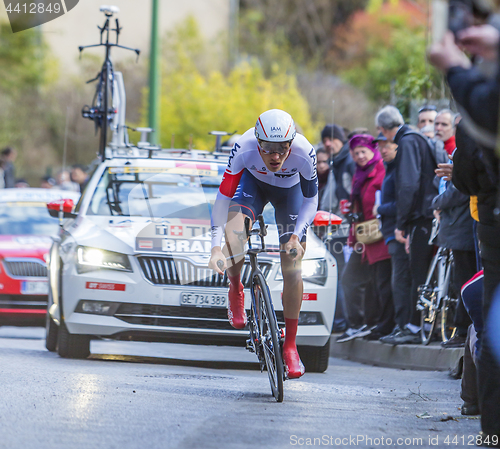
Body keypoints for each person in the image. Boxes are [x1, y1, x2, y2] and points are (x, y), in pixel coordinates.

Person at [208, 109, 318, 379]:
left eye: (282, 149)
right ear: (258, 142)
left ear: (291, 143)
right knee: (235, 233)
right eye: (268, 149)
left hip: (290, 194)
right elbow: (223, 199)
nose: (276, 156)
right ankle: (236, 289)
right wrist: (214, 247)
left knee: (293, 262)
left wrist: (298, 235)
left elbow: (311, 200)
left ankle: (290, 345)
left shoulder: (305, 152)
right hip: (252, 187)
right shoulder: (244, 147)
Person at [430, 26, 500, 444]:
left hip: (491, 218)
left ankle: (491, 429)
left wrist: (457, 70)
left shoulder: (476, 121)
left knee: (487, 315)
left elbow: (470, 170)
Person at [376, 105, 447, 345]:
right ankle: (418, 326)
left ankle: (415, 327)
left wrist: (401, 223)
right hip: (428, 214)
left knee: (418, 275)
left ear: (384, 129)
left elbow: (408, 185)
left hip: (420, 216)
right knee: (422, 274)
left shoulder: (406, 141)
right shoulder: (416, 138)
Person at [336, 134, 393, 343]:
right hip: (363, 237)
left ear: (373, 151)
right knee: (353, 280)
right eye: (356, 152)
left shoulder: (381, 171)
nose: (360, 156)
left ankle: (372, 324)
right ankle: (361, 324)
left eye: (364, 151)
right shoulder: (359, 174)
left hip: (378, 236)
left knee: (376, 283)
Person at [372, 133, 412, 344]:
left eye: (387, 145)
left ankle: (404, 325)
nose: (383, 150)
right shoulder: (390, 169)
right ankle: (398, 325)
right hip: (390, 232)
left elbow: (402, 202)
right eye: (380, 146)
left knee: (400, 281)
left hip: (399, 231)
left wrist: (380, 208)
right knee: (394, 282)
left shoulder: (399, 170)